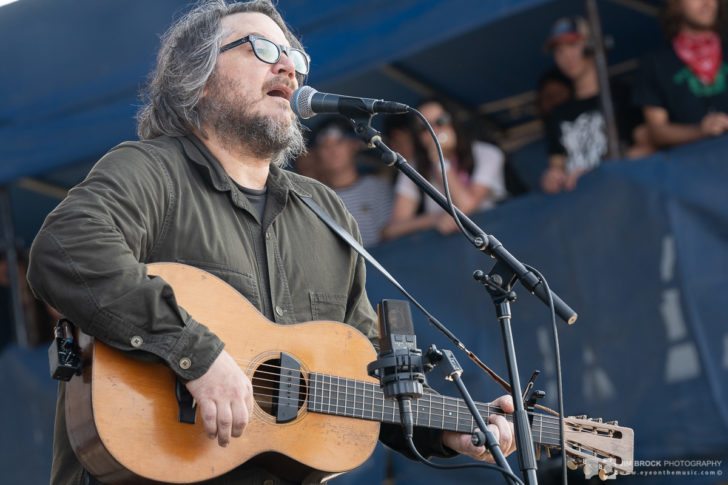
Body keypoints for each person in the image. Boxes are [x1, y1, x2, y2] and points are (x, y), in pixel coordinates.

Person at [25, 1, 515, 484]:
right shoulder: (150, 169)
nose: (288, 67)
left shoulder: (326, 213)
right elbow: (65, 248)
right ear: (196, 78)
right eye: (261, 48)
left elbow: (364, 378)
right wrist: (195, 353)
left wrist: (448, 430)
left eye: (295, 57)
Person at [541, 16, 653, 194]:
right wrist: (551, 179)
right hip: (584, 207)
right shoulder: (558, 113)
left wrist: (599, 170)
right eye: (558, 51)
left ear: (592, 45)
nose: (566, 56)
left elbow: (649, 148)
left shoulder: (623, 94)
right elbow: (557, 166)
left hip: (627, 195)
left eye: (572, 45)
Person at [382, 99, 507, 240]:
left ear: (454, 121)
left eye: (441, 121)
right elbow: (391, 230)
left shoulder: (486, 153)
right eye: (424, 128)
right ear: (418, 137)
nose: (434, 131)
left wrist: (439, 160)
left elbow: (467, 205)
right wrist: (434, 219)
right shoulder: (413, 168)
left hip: (496, 238)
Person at [633, 0, 728, 148]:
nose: (707, 2)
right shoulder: (655, 64)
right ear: (675, 4)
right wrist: (700, 131)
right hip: (689, 164)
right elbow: (657, 131)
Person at [311, 117, 393, 247]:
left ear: (354, 145)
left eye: (339, 142)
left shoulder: (378, 187)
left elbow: (392, 236)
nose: (333, 151)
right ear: (317, 153)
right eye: (325, 145)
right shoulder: (314, 199)